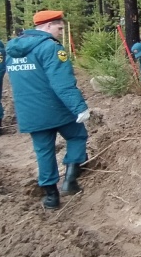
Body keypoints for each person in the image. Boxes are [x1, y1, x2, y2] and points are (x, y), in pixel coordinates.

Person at [5, 11, 90, 209]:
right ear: (48, 25)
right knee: (77, 135)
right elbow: (62, 83)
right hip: (56, 109)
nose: (60, 32)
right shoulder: (50, 48)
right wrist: (79, 107)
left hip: (29, 112)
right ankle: (70, 180)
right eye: (59, 28)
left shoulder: (13, 51)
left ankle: (51, 196)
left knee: (43, 151)